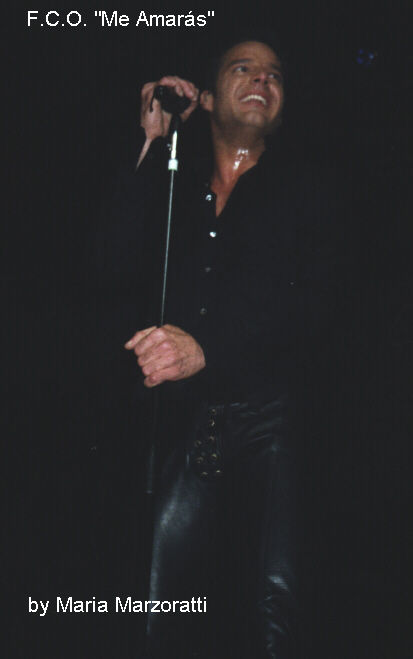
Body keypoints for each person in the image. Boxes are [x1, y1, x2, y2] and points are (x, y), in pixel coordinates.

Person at [100, 34, 340, 659]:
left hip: (273, 424)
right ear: (206, 98)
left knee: (274, 614)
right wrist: (151, 139)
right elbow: (112, 264)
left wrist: (208, 347)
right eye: (243, 68)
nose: (263, 79)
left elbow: (321, 308)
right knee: (151, 603)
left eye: (274, 74)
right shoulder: (175, 185)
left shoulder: (309, 190)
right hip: (183, 426)